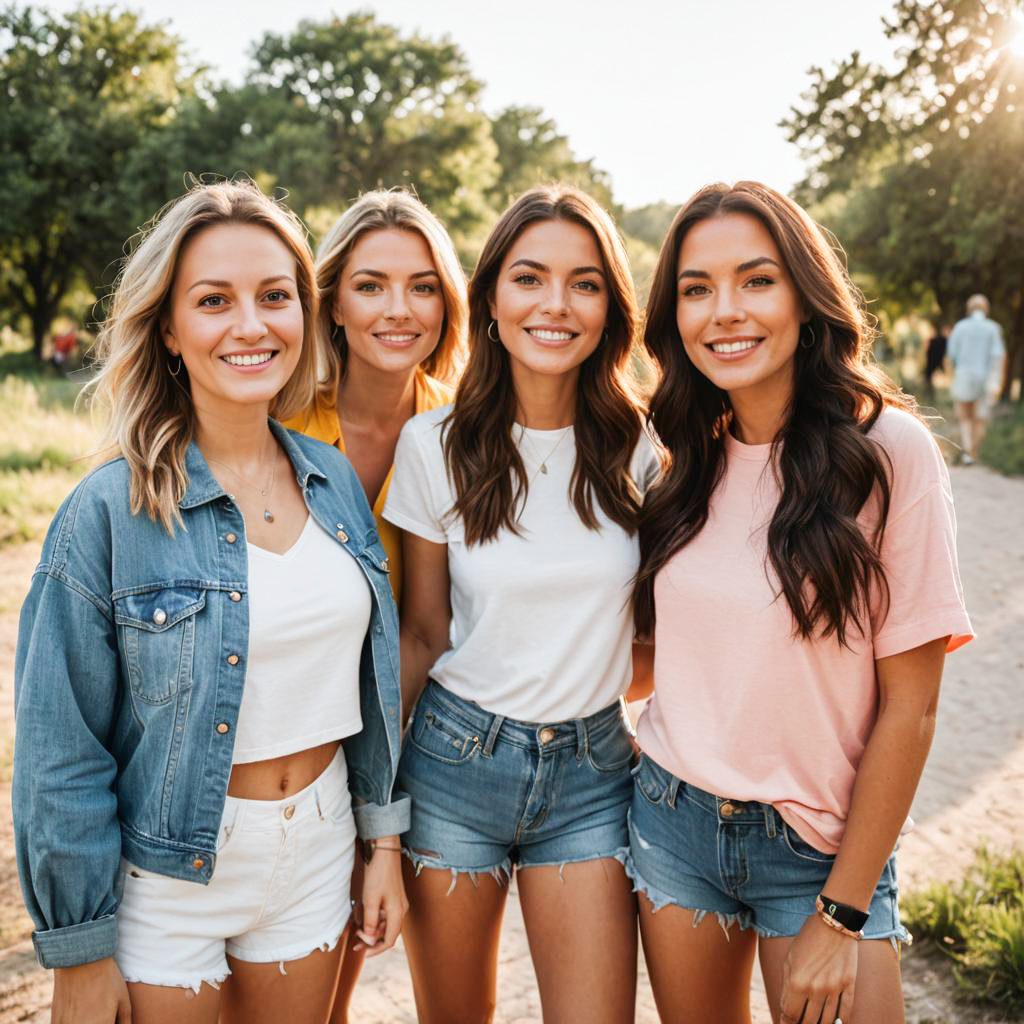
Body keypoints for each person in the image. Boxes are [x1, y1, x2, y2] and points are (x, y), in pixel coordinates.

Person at [13, 180, 408, 1024]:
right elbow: (59, 749)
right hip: (168, 880)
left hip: (318, 847)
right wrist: (78, 948)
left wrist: (381, 842)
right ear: (168, 328)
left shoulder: (332, 478)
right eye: (213, 301)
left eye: (274, 297)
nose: (251, 325)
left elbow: (370, 691)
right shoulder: (107, 512)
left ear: (305, 313)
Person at [629, 181, 973, 1024]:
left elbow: (913, 710)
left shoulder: (888, 451)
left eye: (757, 280)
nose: (725, 312)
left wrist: (843, 911)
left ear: (806, 296)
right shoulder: (680, 459)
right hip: (674, 819)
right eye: (697, 289)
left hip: (820, 851)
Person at [383, 185, 660, 1024]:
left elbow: (656, 632)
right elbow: (424, 631)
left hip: (595, 775)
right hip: (453, 766)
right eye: (529, 277)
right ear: (493, 297)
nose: (555, 304)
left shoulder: (641, 447)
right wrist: (371, 808)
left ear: (610, 306)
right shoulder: (433, 445)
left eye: (584, 283)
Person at [284, 188, 466, 1022]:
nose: (400, 309)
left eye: (423, 286)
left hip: (413, 742)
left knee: (353, 970)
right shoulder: (275, 423)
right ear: (332, 304)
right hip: (280, 739)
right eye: (371, 285)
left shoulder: (467, 438)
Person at [948, 293, 1005, 464]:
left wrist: (951, 376)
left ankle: (967, 452)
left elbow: (952, 355)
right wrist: (999, 380)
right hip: (986, 378)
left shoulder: (959, 327)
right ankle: (975, 452)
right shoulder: (993, 328)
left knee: (965, 416)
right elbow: (998, 356)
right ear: (986, 309)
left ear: (969, 309)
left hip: (964, 376)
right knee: (980, 418)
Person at [922, 320, 948, 402]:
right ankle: (934, 395)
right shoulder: (944, 340)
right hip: (938, 362)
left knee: (928, 378)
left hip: (933, 362)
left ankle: (931, 394)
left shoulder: (932, 340)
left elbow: (927, 353)